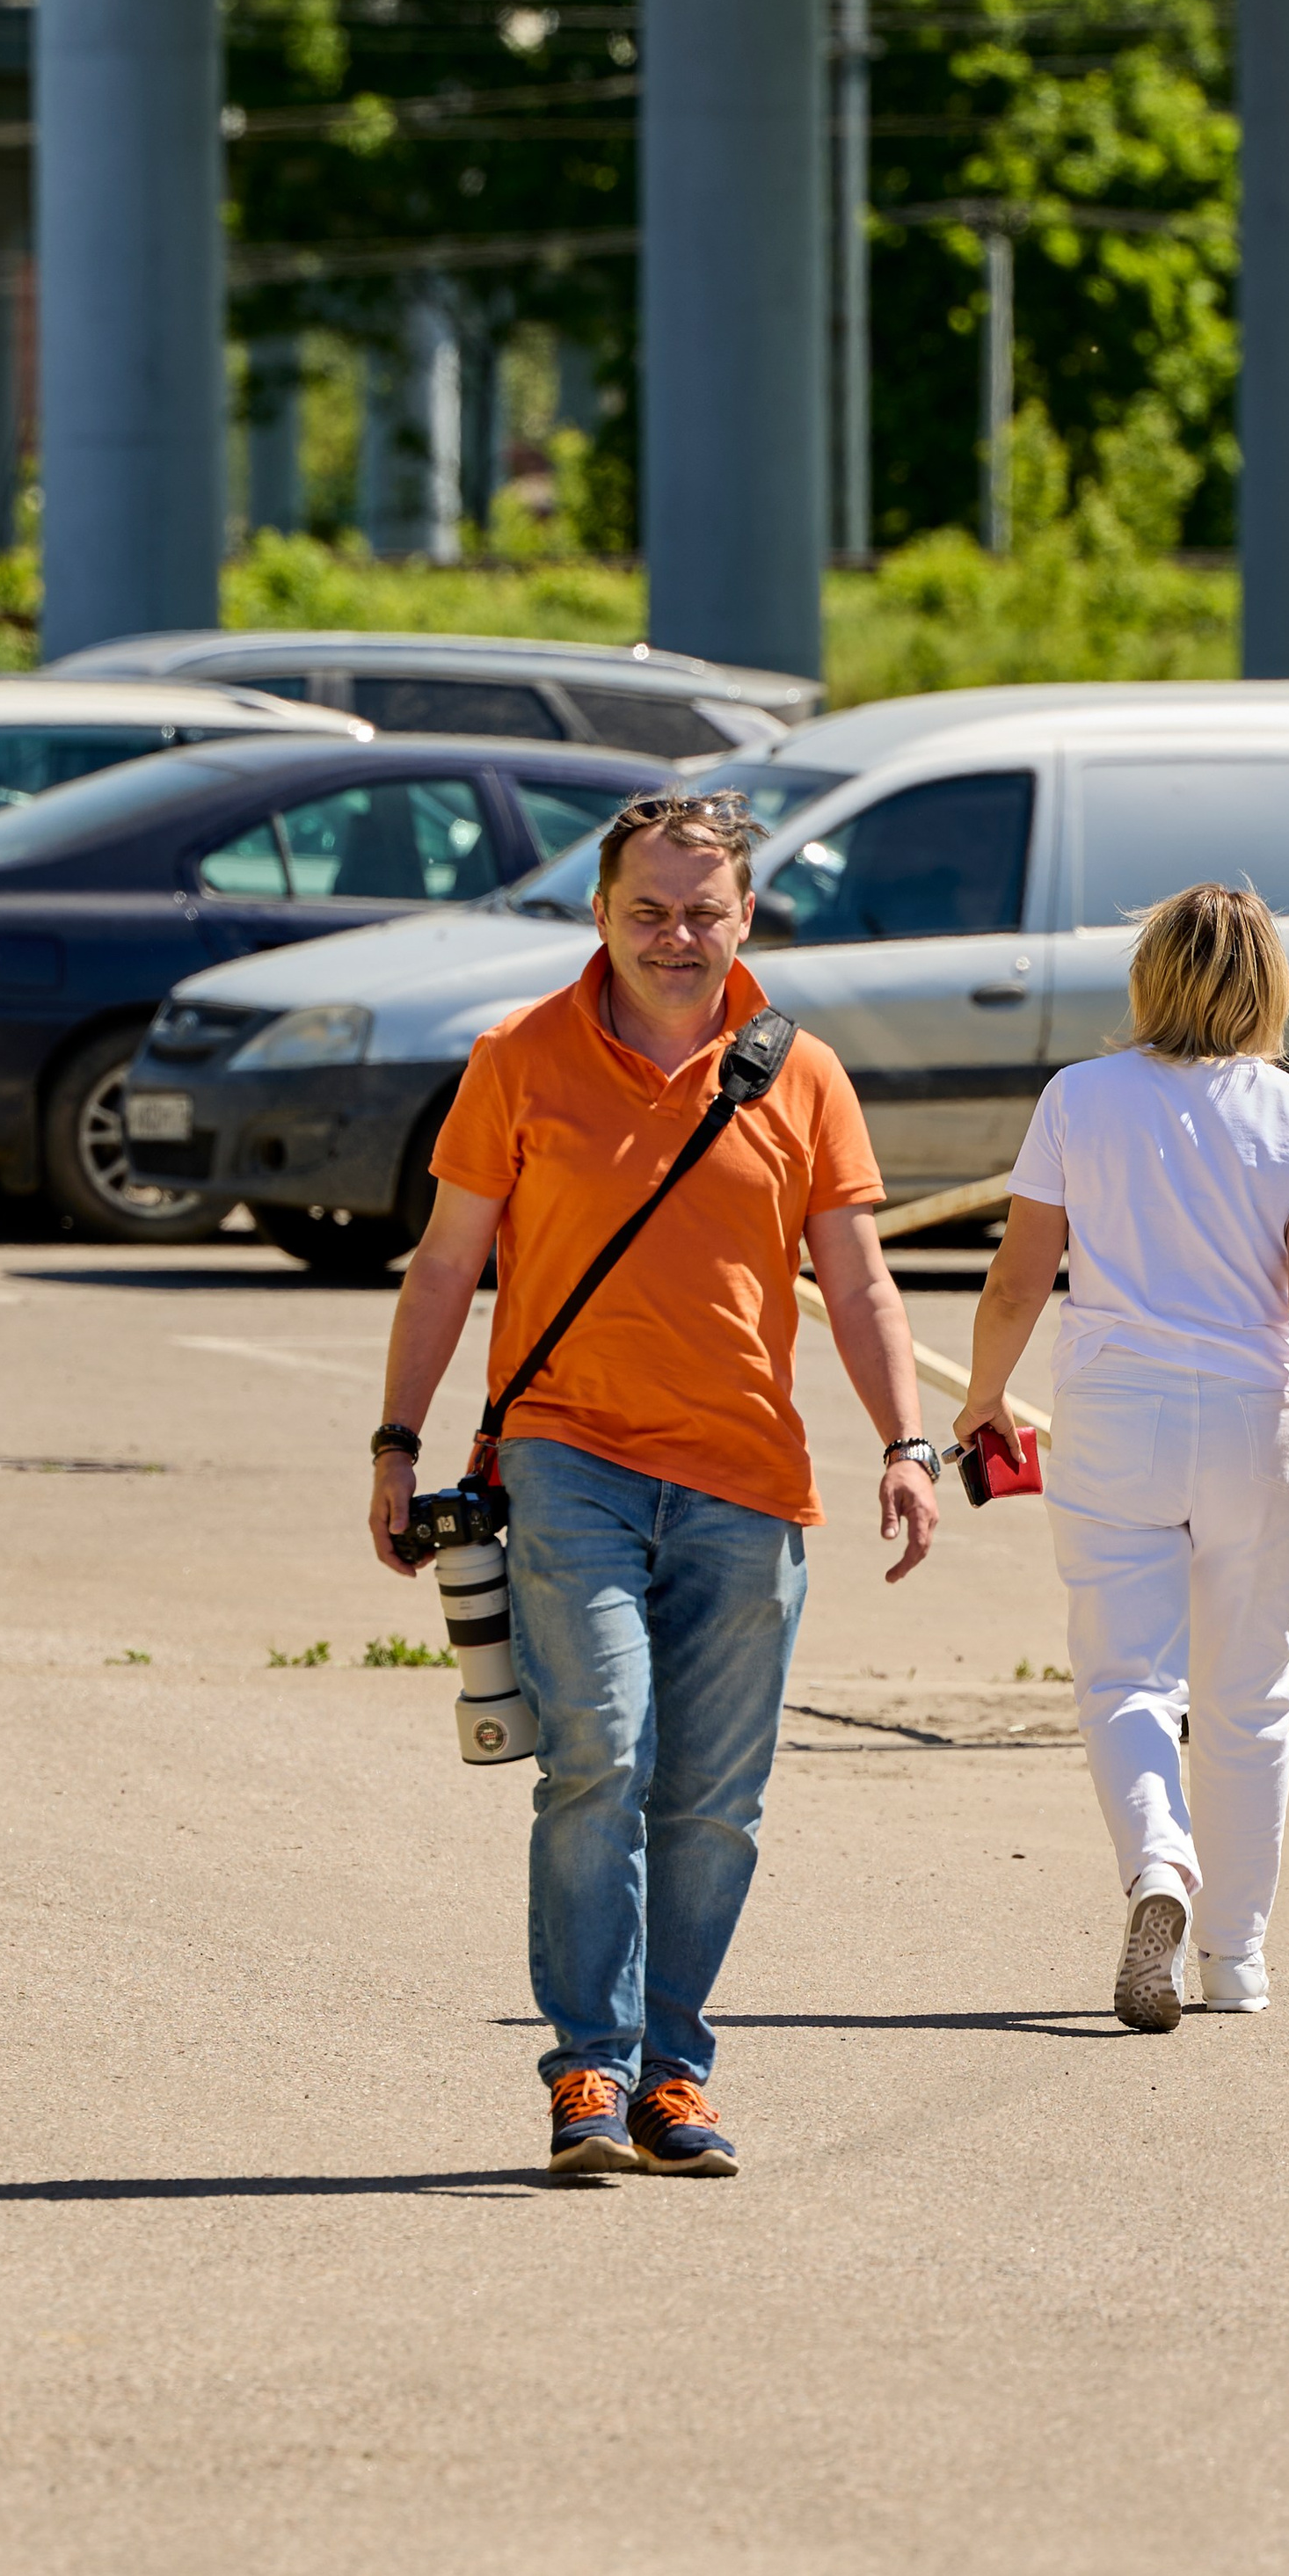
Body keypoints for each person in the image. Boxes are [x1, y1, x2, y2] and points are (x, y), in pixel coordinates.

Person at [368, 789, 941, 2178]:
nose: (676, 936)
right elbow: (447, 1263)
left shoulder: (802, 1074)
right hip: (570, 1460)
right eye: (648, 910)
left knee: (714, 1799)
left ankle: (674, 2078)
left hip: (750, 1479)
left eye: (703, 911)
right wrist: (397, 1442)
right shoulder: (518, 1057)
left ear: (745, 917)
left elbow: (856, 1280)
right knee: (603, 1755)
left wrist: (909, 1441)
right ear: (602, 915)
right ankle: (590, 2075)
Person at [955, 882, 1289, 2032]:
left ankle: (1158, 1869)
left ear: (1150, 976)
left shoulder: (1081, 1098)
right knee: (1250, 1696)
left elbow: (1018, 1277)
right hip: (1259, 1420)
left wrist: (986, 1398)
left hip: (1114, 1415)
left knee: (1126, 1678)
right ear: (1272, 986)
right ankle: (1237, 1962)